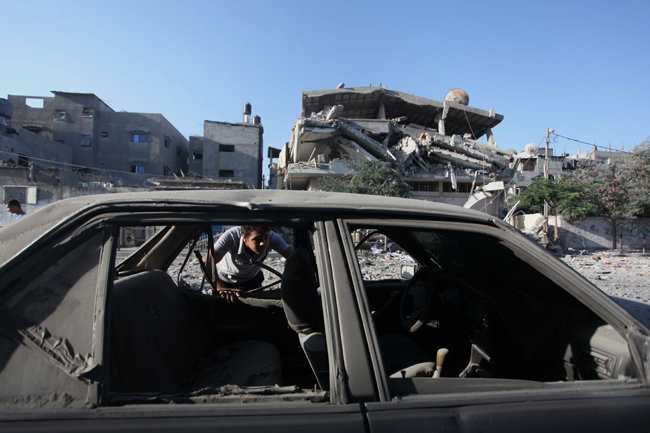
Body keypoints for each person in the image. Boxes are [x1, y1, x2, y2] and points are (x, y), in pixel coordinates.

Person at [211, 225, 293, 302]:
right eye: (257, 239)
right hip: (225, 281)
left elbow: (295, 258)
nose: (263, 243)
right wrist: (220, 287)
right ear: (244, 238)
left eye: (265, 238)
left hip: (252, 279)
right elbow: (207, 263)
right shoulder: (231, 236)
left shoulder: (272, 237)